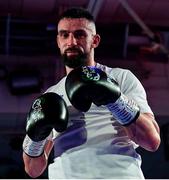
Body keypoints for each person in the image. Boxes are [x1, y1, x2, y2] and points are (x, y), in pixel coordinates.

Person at [22, 7, 161, 179]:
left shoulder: (120, 77)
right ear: (58, 41)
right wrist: (35, 135)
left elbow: (152, 141)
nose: (71, 42)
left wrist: (115, 99)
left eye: (79, 34)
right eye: (64, 35)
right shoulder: (51, 95)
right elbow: (32, 170)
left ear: (95, 40)